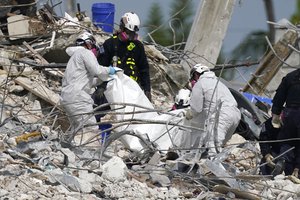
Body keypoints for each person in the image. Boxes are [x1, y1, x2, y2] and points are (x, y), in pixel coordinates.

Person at [60, 31, 116, 143]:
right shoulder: (85, 53)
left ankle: (74, 154)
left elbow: (86, 81)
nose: (94, 51)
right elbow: (97, 70)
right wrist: (110, 70)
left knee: (77, 130)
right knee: (90, 130)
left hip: (67, 98)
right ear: (89, 43)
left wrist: (101, 80)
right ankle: (91, 156)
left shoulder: (74, 59)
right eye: (94, 48)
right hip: (78, 98)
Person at [185, 63, 241, 155]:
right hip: (235, 116)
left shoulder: (200, 83)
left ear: (196, 74)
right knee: (216, 147)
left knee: (212, 148)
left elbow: (196, 109)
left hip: (221, 116)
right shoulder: (220, 83)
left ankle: (211, 168)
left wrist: (189, 114)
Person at [96, 11, 151, 101]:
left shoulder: (138, 46)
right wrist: (101, 86)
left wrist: (147, 89)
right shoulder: (110, 44)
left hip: (132, 89)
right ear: (122, 28)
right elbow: (101, 67)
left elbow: (144, 69)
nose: (131, 36)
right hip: (112, 88)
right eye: (129, 32)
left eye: (133, 33)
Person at [271, 68, 300, 177]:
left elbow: (278, 98)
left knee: (287, 141)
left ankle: (283, 161)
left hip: (289, 114)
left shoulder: (291, 76)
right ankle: (297, 170)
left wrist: (276, 114)